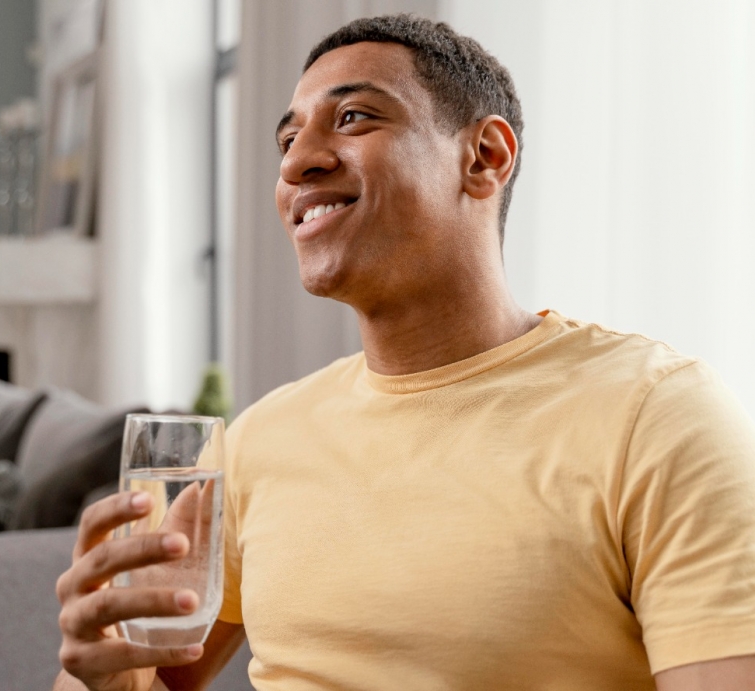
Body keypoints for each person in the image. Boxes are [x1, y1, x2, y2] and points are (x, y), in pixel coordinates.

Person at [52, 14, 755, 691]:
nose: (297, 162)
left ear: (484, 157)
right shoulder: (259, 439)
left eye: (353, 117)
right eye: (286, 139)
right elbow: (147, 677)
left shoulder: (657, 416)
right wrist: (106, 678)